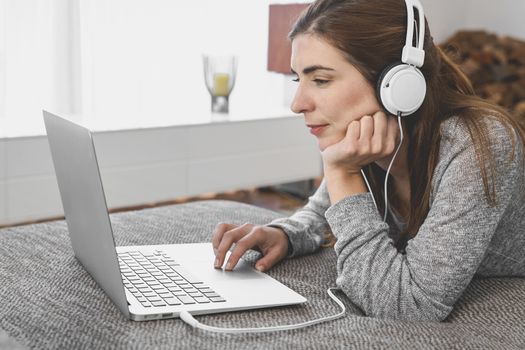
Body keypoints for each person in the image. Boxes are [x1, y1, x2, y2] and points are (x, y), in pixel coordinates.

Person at [211, 0, 525, 322]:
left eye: (320, 80)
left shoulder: (479, 143)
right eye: (298, 80)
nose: (297, 104)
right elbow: (321, 211)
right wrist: (286, 234)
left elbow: (411, 308)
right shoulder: (370, 140)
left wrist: (342, 174)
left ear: (399, 85)